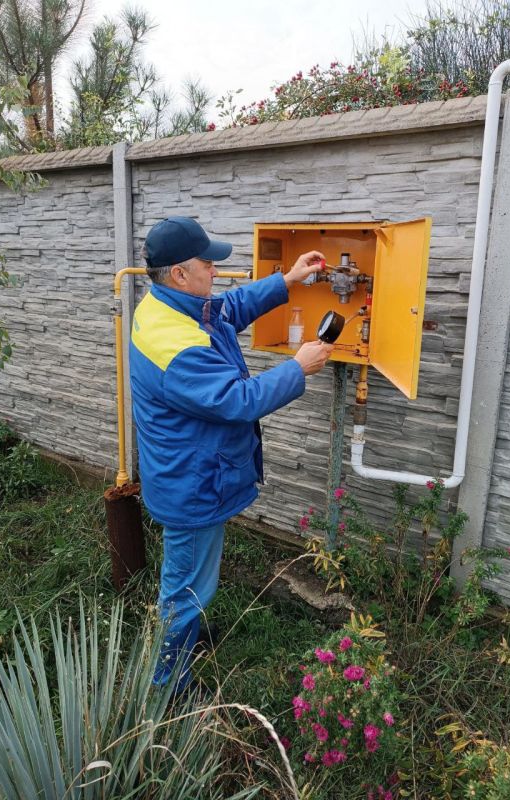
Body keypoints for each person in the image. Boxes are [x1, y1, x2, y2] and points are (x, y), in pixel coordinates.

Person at [129, 216, 333, 691]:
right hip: (192, 485)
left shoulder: (171, 305)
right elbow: (237, 400)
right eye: (208, 263)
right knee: (185, 588)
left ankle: (187, 634)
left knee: (190, 574)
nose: (217, 271)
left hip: (191, 471)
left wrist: (286, 281)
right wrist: (297, 367)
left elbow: (227, 311)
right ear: (180, 272)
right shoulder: (174, 343)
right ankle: (168, 685)